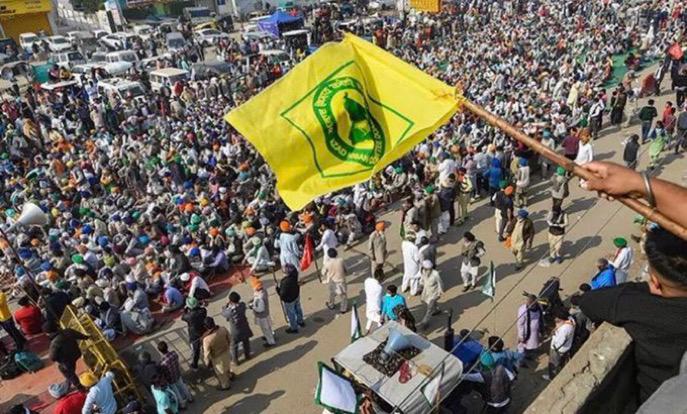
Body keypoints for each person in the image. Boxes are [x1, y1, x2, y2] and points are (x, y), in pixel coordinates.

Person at [572, 227, 687, 402]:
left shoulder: (637, 304)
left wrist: (642, 288)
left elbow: (589, 302)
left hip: (657, 402)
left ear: (654, 282)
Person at [44, 320, 89, 392]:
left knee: (67, 371)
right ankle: (70, 379)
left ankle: (80, 387)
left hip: (67, 361)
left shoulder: (54, 343)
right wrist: (87, 337)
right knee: (71, 368)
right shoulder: (68, 331)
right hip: (76, 353)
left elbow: (52, 357)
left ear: (49, 333)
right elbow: (81, 336)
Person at [157, 341, 193, 409]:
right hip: (177, 374)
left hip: (170, 379)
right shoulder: (174, 353)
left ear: (160, 351)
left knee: (176, 392)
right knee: (183, 386)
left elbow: (163, 372)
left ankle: (182, 404)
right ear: (167, 347)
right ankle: (190, 398)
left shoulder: (162, 363)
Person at [542, 309, 575, 381]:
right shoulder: (570, 320)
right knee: (561, 362)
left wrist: (554, 348)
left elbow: (560, 342)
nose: (555, 319)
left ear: (561, 318)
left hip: (558, 350)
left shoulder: (564, 329)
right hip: (565, 348)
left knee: (553, 363)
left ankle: (552, 377)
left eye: (557, 318)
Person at [202, 317, 233, 391]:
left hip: (217, 357)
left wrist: (207, 362)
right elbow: (229, 338)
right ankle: (230, 375)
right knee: (227, 365)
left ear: (206, 327)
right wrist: (227, 346)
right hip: (226, 351)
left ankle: (225, 386)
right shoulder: (223, 329)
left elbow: (207, 353)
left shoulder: (207, 339)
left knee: (220, 373)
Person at [222, 291, 253, 364]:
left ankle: (235, 360)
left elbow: (223, 313)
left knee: (234, 346)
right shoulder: (242, 305)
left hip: (235, 331)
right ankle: (247, 355)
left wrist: (225, 307)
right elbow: (244, 305)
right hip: (244, 327)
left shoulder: (230, 311)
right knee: (246, 342)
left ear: (230, 301)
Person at [277, 263, 304, 334]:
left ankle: (294, 328)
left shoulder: (285, 281)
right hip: (296, 295)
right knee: (298, 308)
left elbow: (282, 294)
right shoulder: (295, 275)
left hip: (289, 300)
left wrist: (277, 289)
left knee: (291, 314)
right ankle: (300, 321)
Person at [248, 276, 275, 347]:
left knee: (265, 329)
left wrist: (252, 307)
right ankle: (270, 336)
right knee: (268, 327)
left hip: (262, 316)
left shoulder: (260, 297)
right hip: (266, 314)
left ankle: (270, 341)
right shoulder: (263, 291)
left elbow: (260, 309)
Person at [181, 297, 207, 370]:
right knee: (206, 348)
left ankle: (195, 366)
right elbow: (203, 308)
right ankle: (209, 363)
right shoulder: (203, 311)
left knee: (195, 352)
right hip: (203, 332)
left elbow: (182, 317)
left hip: (194, 336)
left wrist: (185, 310)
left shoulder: (188, 316)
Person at [418, 260, 443, 328]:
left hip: (434, 293)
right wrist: (420, 286)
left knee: (429, 309)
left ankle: (424, 322)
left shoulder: (435, 274)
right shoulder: (423, 271)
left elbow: (440, 283)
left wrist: (440, 292)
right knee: (427, 303)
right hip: (426, 292)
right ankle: (436, 310)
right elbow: (422, 279)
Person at [322, 248, 348, 313]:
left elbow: (323, 272)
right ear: (336, 253)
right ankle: (343, 309)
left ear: (328, 255)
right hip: (341, 281)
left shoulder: (327, 263)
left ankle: (331, 305)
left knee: (332, 294)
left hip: (333, 282)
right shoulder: (341, 260)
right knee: (343, 295)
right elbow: (346, 269)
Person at [516, 294, 541, 358]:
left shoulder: (539, 307)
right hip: (526, 331)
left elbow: (540, 318)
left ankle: (529, 353)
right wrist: (521, 335)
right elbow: (520, 323)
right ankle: (520, 357)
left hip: (535, 331)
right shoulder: (523, 310)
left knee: (532, 344)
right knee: (522, 345)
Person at [363, 267, 384, 334]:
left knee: (370, 317)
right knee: (380, 319)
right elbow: (379, 298)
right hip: (376, 306)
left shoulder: (367, 281)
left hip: (369, 303)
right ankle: (381, 331)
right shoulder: (379, 287)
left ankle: (367, 329)